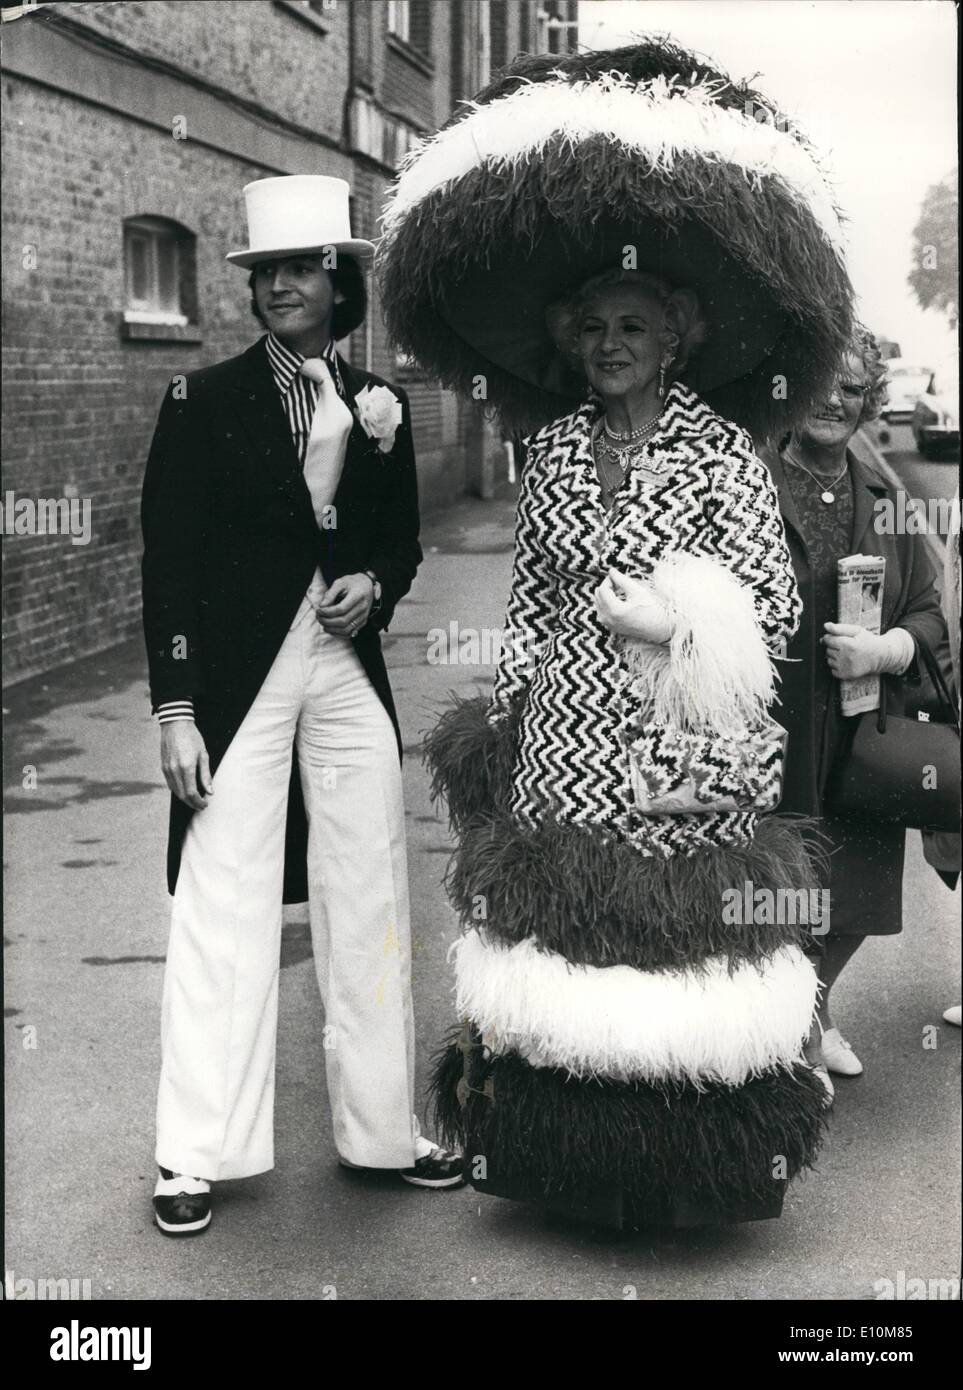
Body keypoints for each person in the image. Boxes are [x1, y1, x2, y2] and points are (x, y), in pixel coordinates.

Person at [426, 267, 828, 1225]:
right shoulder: (556, 450)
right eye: (595, 327)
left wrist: (673, 618)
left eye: (635, 327)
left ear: (673, 340)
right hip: (563, 745)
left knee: (667, 949)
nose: (611, 345)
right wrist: (509, 715)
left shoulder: (722, 451)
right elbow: (530, 603)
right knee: (568, 944)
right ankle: (567, 1169)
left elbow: (773, 609)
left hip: (676, 737)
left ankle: (682, 1180)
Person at [141, 175, 462, 1237]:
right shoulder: (201, 402)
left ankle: (384, 1130)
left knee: (370, 886)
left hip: (340, 669)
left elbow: (400, 540)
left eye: (302, 267)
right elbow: (168, 561)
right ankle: (195, 1153)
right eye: (265, 270)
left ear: (339, 282)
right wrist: (176, 707)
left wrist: (376, 582)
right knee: (221, 898)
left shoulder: (378, 403)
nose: (281, 285)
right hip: (235, 685)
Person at [765, 327, 948, 1098]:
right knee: (775, 890)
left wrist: (888, 651)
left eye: (852, 390)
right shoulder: (752, 481)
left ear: (868, 402)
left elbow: (932, 615)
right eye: (821, 383)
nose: (835, 402)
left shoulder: (888, 497)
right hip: (772, 722)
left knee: (859, 888)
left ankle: (811, 1009)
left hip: (859, 722)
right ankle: (775, 1035)